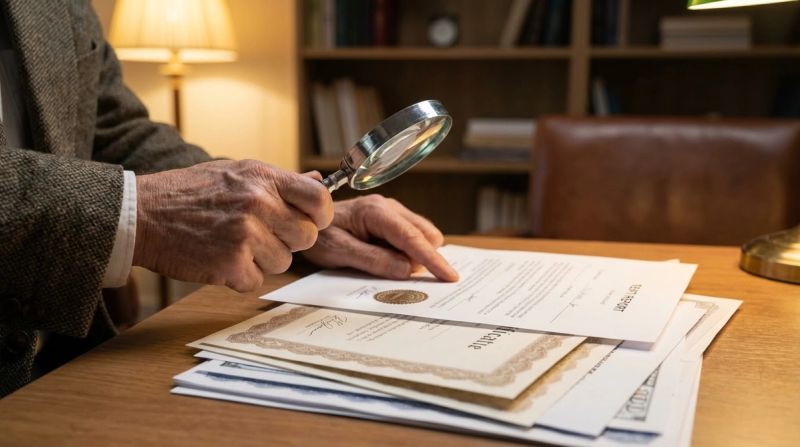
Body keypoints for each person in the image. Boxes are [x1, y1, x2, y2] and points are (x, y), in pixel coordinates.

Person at [0, 1, 457, 397]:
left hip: (68, 371)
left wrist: (281, 214)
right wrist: (136, 214)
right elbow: (134, 191)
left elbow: (115, 131)